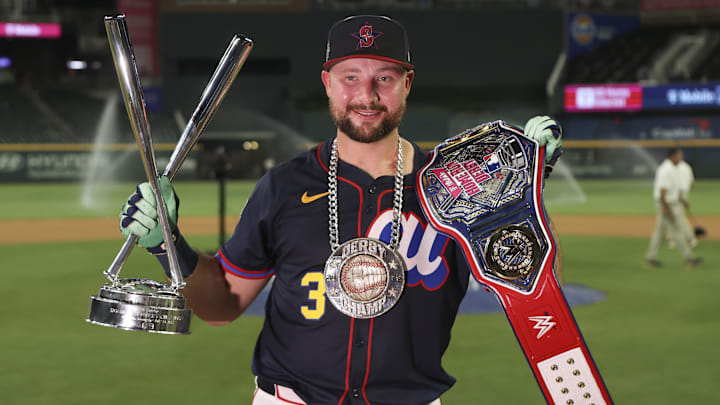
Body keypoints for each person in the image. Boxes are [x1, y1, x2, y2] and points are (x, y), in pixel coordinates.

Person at [119, 15, 563, 404]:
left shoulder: (459, 189)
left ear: (407, 84)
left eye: (384, 78)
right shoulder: (284, 187)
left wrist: (517, 200)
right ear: (328, 82)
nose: (366, 95)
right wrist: (168, 244)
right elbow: (223, 306)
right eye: (350, 77)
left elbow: (532, 294)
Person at [646, 147, 702, 269]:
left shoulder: (673, 168)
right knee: (676, 231)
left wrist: (683, 199)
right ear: (672, 156)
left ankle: (650, 258)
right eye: (679, 155)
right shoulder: (666, 169)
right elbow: (662, 191)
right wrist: (664, 208)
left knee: (659, 232)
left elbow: (673, 190)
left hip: (670, 202)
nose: (681, 158)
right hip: (666, 204)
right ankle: (689, 258)